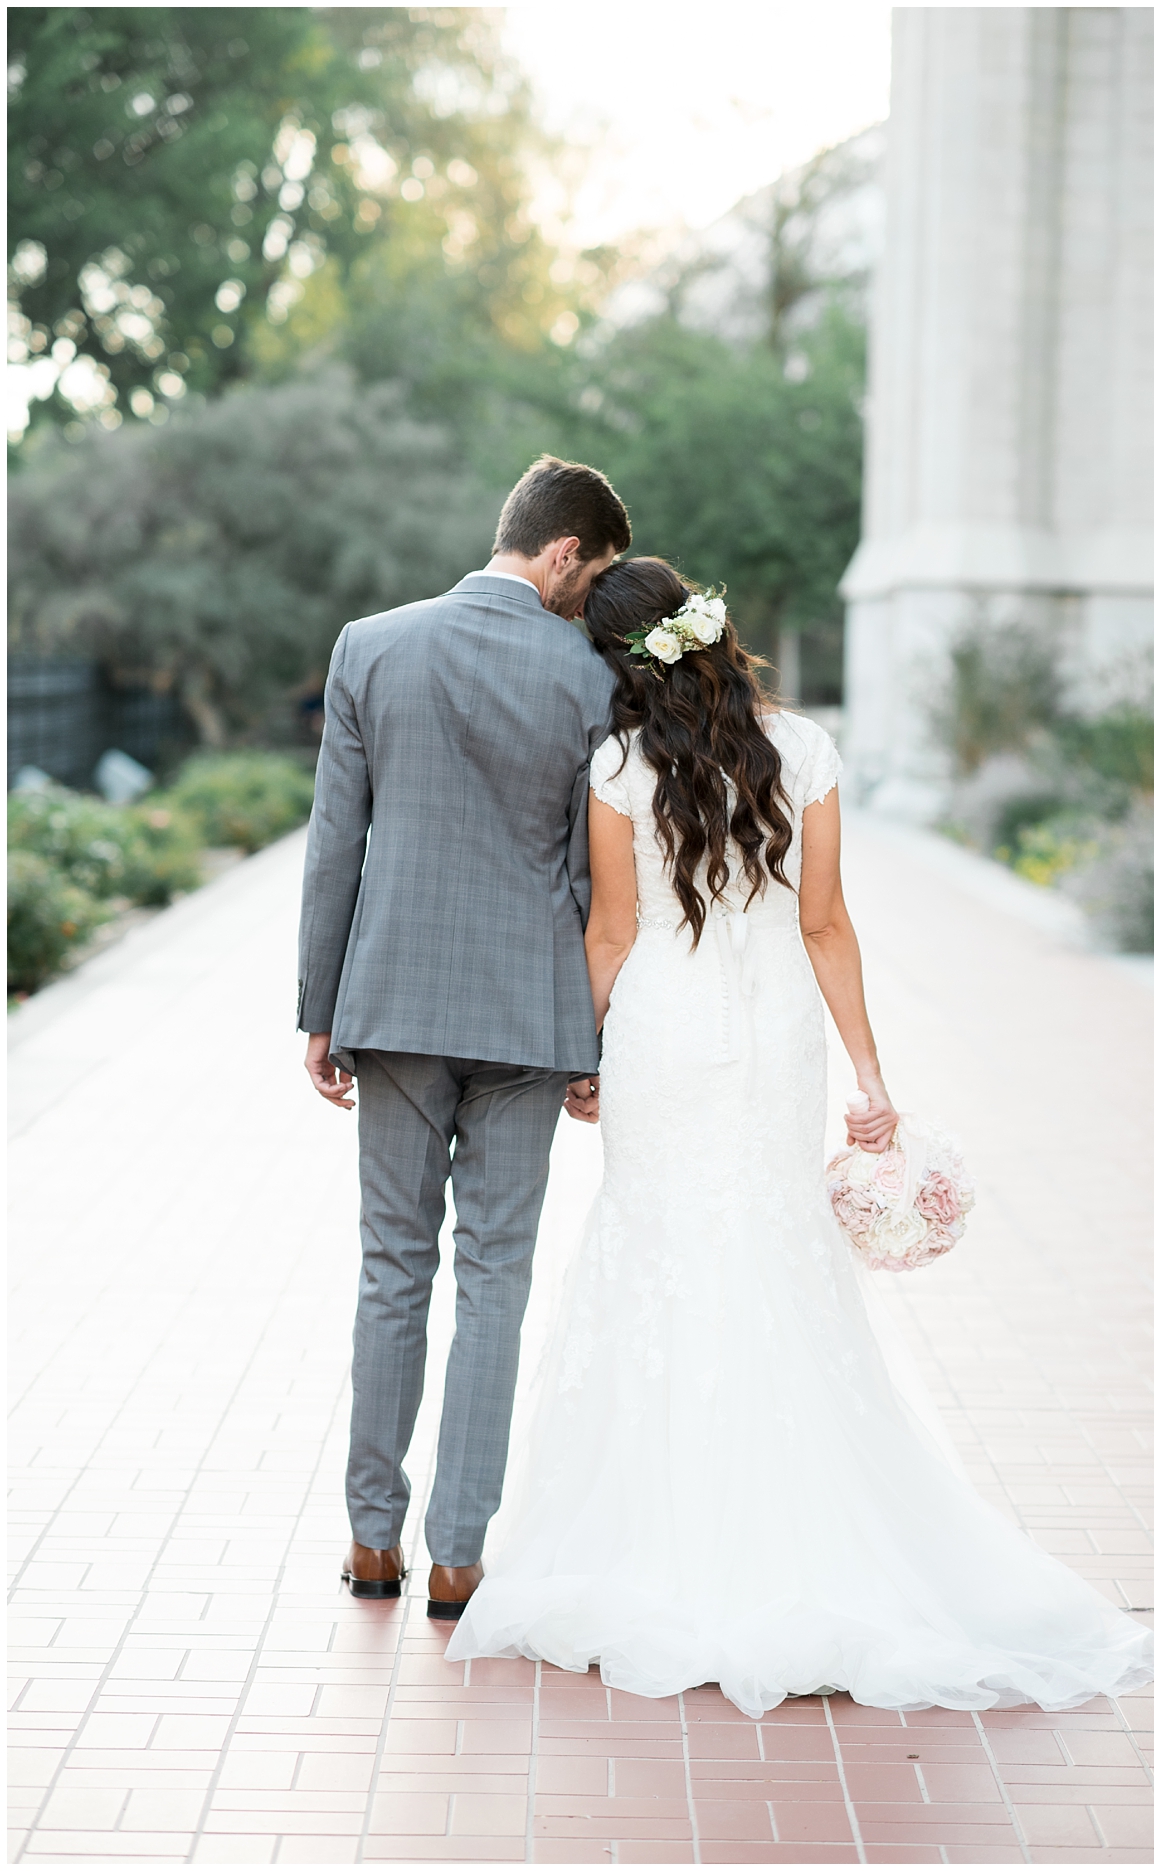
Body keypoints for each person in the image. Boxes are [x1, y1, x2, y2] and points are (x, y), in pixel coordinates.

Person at [444, 557, 1154, 1718]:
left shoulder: (620, 767)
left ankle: (667, 1539)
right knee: (772, 1246)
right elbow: (827, 922)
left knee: (663, 1248)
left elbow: (610, 934)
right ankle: (800, 1532)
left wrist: (577, 1056)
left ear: (621, 663)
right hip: (775, 1030)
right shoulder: (806, 751)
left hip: (665, 1035)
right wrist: (871, 1076)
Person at [299, 455, 630, 1624]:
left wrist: (319, 1004)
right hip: (531, 1017)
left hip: (392, 1002)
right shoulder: (591, 675)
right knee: (495, 1279)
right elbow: (604, 876)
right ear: (561, 550)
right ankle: (460, 1556)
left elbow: (337, 841)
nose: (590, 595)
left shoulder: (370, 645)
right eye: (590, 572)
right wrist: (596, 1036)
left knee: (393, 1266)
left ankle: (370, 1539)